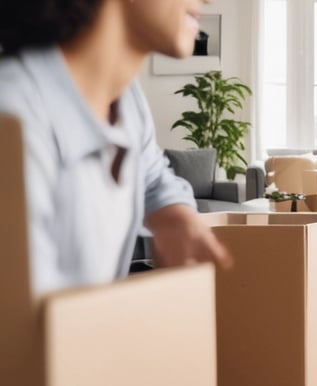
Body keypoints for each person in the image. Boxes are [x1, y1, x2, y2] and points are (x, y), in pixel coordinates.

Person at [0, 0, 233, 296]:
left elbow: (152, 176)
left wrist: (174, 215)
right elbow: (22, 313)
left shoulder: (126, 100)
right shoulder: (14, 114)